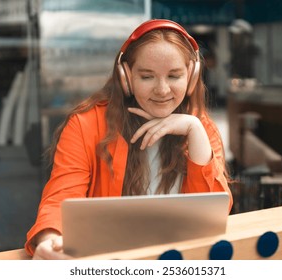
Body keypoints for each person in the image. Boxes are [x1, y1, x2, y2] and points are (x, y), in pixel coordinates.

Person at [25, 19, 233, 260]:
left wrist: (195, 132)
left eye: (174, 76)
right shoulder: (86, 124)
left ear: (192, 77)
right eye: (147, 77)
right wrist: (51, 239)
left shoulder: (200, 127)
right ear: (126, 77)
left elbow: (213, 215)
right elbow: (60, 198)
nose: (162, 90)